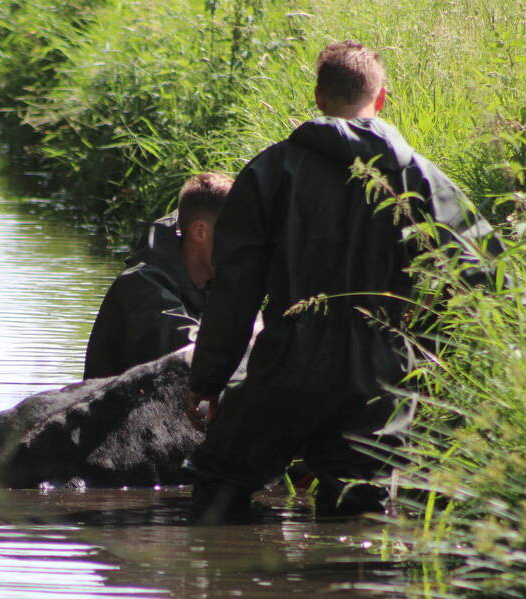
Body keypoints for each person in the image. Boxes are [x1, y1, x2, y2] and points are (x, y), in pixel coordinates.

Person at [183, 41, 505, 521]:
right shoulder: (424, 179)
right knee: (359, 516)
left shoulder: (271, 172)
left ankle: (226, 588)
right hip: (379, 381)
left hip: (285, 371)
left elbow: (236, 292)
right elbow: (482, 279)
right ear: (381, 99)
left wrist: (207, 380)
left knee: (217, 491)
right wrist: (427, 354)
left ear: (318, 97)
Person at [83, 172, 234, 379]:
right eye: (236, 233)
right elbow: (186, 347)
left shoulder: (214, 281)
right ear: (200, 232)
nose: (244, 246)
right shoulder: (141, 284)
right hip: (121, 407)